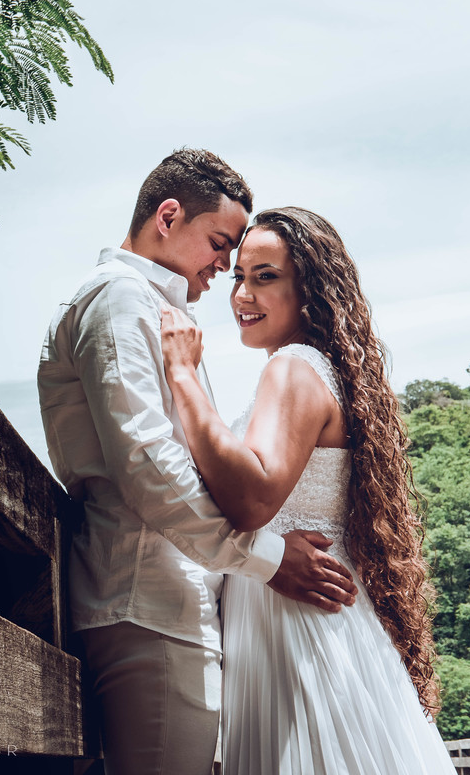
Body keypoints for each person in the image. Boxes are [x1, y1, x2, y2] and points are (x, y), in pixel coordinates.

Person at [37, 149, 357, 775]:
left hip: (173, 603)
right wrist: (267, 560)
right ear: (167, 214)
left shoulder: (156, 311)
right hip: (148, 603)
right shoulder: (121, 302)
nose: (224, 268)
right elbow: (151, 469)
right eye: (220, 244)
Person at [159, 206, 454, 774]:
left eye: (265, 276)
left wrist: (182, 375)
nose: (242, 293)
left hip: (298, 629)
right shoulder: (318, 370)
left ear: (310, 291)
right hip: (299, 617)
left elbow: (252, 500)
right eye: (239, 276)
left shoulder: (292, 369)